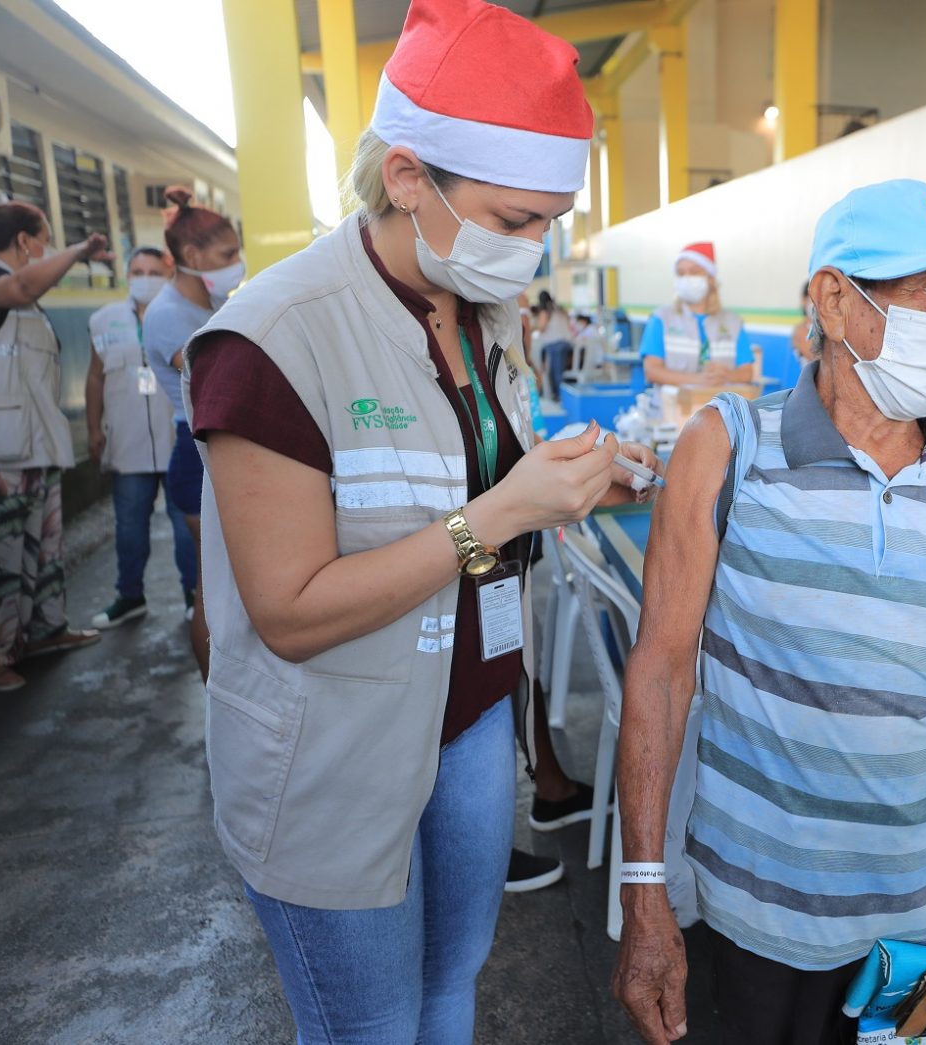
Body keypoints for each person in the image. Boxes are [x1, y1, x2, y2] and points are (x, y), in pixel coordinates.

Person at [182, 5, 659, 1041]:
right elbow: (291, 613)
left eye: (547, 222)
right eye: (511, 219)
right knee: (370, 1024)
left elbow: (481, 474)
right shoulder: (270, 340)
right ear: (406, 177)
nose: (531, 250)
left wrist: (573, 482)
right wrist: (497, 514)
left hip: (471, 714)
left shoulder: (477, 311)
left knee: (453, 985)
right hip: (334, 741)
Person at [613, 179, 926, 1045]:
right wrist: (644, 891)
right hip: (765, 912)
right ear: (833, 298)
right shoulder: (729, 447)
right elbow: (662, 669)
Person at [0, 202, 109, 691]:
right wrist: (82, 250)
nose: (45, 249)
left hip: (30, 447)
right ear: (24, 241)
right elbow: (23, 287)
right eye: (44, 238)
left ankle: (42, 631)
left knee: (40, 550)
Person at [144, 186, 241, 674]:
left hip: (219, 450)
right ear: (191, 255)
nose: (237, 262)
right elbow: (218, 380)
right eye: (227, 254)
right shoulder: (166, 316)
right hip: (195, 454)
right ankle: (213, 693)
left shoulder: (209, 300)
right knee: (213, 588)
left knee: (237, 585)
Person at [85, 248, 198, 628]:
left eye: (152, 270)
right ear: (126, 274)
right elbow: (95, 377)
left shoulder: (183, 316)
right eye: (136, 270)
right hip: (128, 442)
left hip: (178, 439)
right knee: (130, 525)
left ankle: (193, 596)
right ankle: (129, 595)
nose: (143, 277)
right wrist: (92, 428)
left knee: (186, 527)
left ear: (167, 274)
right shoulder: (103, 321)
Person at [639, 242, 752, 387]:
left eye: (694, 272)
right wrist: (698, 380)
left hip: (718, 408)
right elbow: (652, 371)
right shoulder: (661, 319)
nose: (686, 278)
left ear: (711, 278)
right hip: (671, 407)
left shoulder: (733, 323)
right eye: (681, 273)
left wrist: (726, 375)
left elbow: (747, 373)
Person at [536, 289, 574, 398]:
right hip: (566, 343)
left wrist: (532, 327)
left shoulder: (545, 311)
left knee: (555, 372)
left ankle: (560, 396)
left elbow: (541, 327)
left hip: (554, 344)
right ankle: (563, 396)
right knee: (560, 371)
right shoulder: (559, 309)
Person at [789, 280, 815, 363]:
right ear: (804, 301)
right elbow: (816, 358)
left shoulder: (822, 328)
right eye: (813, 297)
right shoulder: (800, 331)